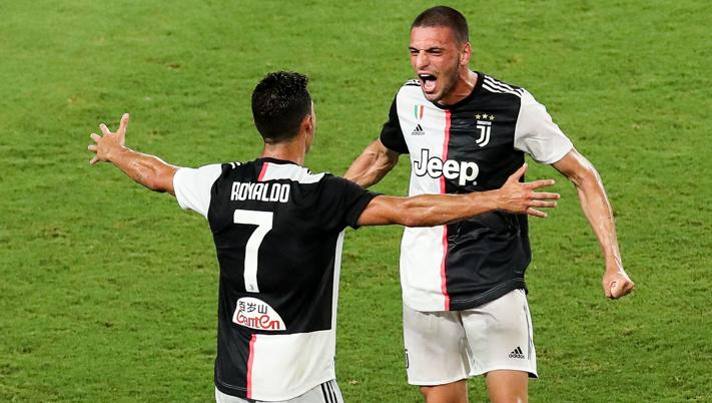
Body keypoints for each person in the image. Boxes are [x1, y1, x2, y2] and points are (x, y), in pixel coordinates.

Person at [87, 71, 559, 403]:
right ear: (308, 124)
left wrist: (116, 152)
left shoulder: (219, 182)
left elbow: (157, 174)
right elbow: (412, 210)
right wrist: (495, 199)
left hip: (231, 385)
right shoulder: (320, 195)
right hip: (299, 386)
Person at [344, 6, 635, 403]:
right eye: (414, 52)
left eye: (434, 52)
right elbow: (382, 156)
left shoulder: (512, 108)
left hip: (493, 281)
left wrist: (612, 262)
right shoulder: (408, 99)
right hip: (424, 283)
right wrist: (325, 202)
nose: (421, 64)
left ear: (464, 53)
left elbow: (582, 174)